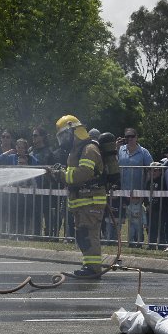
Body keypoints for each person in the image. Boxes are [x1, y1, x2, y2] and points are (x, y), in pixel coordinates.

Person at [49, 115, 106, 278]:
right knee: (83, 235)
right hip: (82, 201)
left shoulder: (89, 149)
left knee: (89, 234)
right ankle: (89, 265)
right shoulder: (75, 151)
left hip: (91, 201)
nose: (63, 140)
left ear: (75, 131)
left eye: (64, 135)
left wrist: (62, 175)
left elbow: (84, 173)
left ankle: (94, 269)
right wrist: (57, 174)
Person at [117, 127, 153, 248]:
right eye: (127, 137)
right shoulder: (120, 150)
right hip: (122, 190)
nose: (129, 139)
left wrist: (146, 185)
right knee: (119, 218)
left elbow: (151, 169)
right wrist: (115, 148)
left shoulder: (144, 152)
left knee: (136, 219)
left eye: (132, 136)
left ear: (136, 137)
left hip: (137, 191)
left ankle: (138, 241)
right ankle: (114, 240)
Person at [0, 138, 39, 235]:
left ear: (26, 148)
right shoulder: (12, 156)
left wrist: (27, 160)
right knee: (13, 214)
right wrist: (8, 152)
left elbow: (37, 164)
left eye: (23, 148)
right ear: (16, 147)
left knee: (26, 214)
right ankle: (12, 233)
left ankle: (25, 233)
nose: (20, 149)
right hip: (14, 194)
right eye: (18, 147)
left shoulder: (31, 158)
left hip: (27, 193)